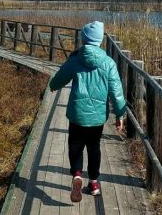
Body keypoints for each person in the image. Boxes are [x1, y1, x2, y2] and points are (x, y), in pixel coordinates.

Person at [49, 20, 127, 203]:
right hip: (98, 116)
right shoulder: (108, 63)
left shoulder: (75, 59)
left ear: (84, 39)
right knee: (94, 148)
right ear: (100, 41)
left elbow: (61, 76)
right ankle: (93, 183)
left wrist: (53, 85)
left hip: (77, 114)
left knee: (75, 146)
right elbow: (116, 92)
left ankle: (77, 175)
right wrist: (120, 115)